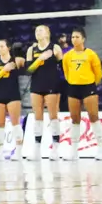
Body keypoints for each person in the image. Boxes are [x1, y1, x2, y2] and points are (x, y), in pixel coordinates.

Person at [61, 29, 102, 160]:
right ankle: (74, 151)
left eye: (77, 37)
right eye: (72, 37)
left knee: (93, 116)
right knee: (74, 119)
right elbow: (66, 72)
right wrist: (74, 82)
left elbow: (98, 73)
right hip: (73, 87)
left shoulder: (91, 54)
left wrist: (90, 83)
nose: (74, 39)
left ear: (83, 39)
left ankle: (101, 149)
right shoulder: (68, 56)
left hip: (88, 87)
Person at [23, 24, 63, 161]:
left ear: (47, 33)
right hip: (36, 85)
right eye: (36, 31)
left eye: (41, 30)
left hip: (52, 84)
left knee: (53, 116)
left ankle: (56, 148)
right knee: (37, 117)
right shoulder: (31, 50)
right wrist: (40, 59)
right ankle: (37, 150)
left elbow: (62, 66)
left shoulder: (55, 48)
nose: (38, 33)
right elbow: (28, 70)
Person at [0, 39, 25, 160]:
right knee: (0, 125)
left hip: (13, 95)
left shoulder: (16, 60)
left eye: (2, 46)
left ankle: (19, 151)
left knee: (15, 123)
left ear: (8, 48)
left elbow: (28, 68)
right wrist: (4, 70)